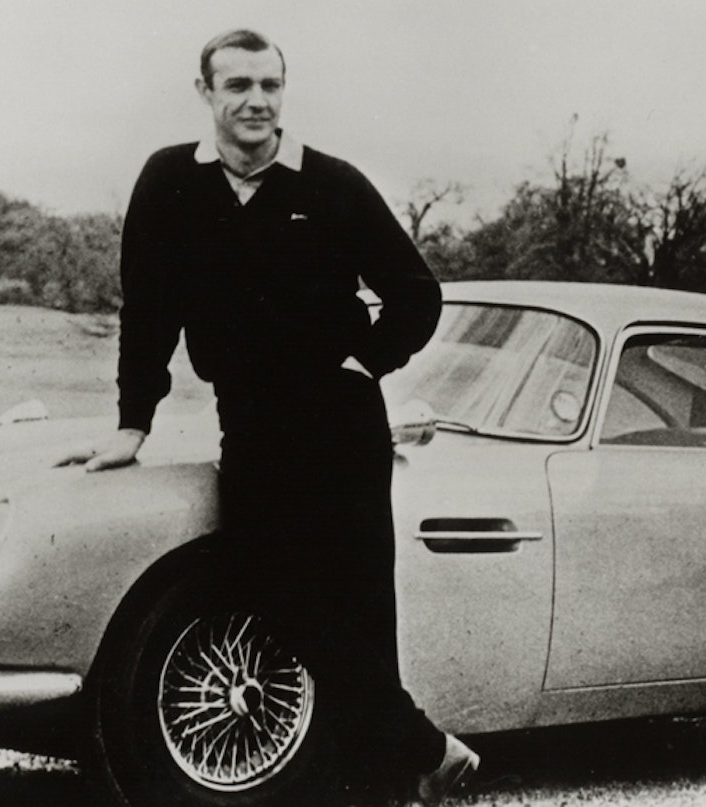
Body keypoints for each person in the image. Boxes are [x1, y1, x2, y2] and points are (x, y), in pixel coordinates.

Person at [64, 28, 479, 806]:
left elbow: (418, 295)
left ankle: (384, 780)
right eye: (237, 86)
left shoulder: (333, 185)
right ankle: (426, 748)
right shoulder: (168, 183)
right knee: (275, 593)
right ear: (206, 94)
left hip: (341, 423)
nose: (256, 101)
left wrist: (364, 362)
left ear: (283, 92)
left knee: (358, 606)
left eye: (269, 85)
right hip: (249, 422)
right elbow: (147, 310)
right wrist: (132, 423)